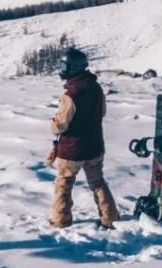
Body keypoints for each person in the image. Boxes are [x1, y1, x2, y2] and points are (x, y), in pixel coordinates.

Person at [48, 47, 120, 229]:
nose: (61, 69)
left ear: (73, 68)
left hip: (71, 150)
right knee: (97, 182)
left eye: (64, 65)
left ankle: (60, 219)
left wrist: (53, 123)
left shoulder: (70, 94)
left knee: (64, 183)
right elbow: (102, 112)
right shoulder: (96, 88)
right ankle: (110, 217)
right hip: (95, 146)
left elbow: (61, 124)